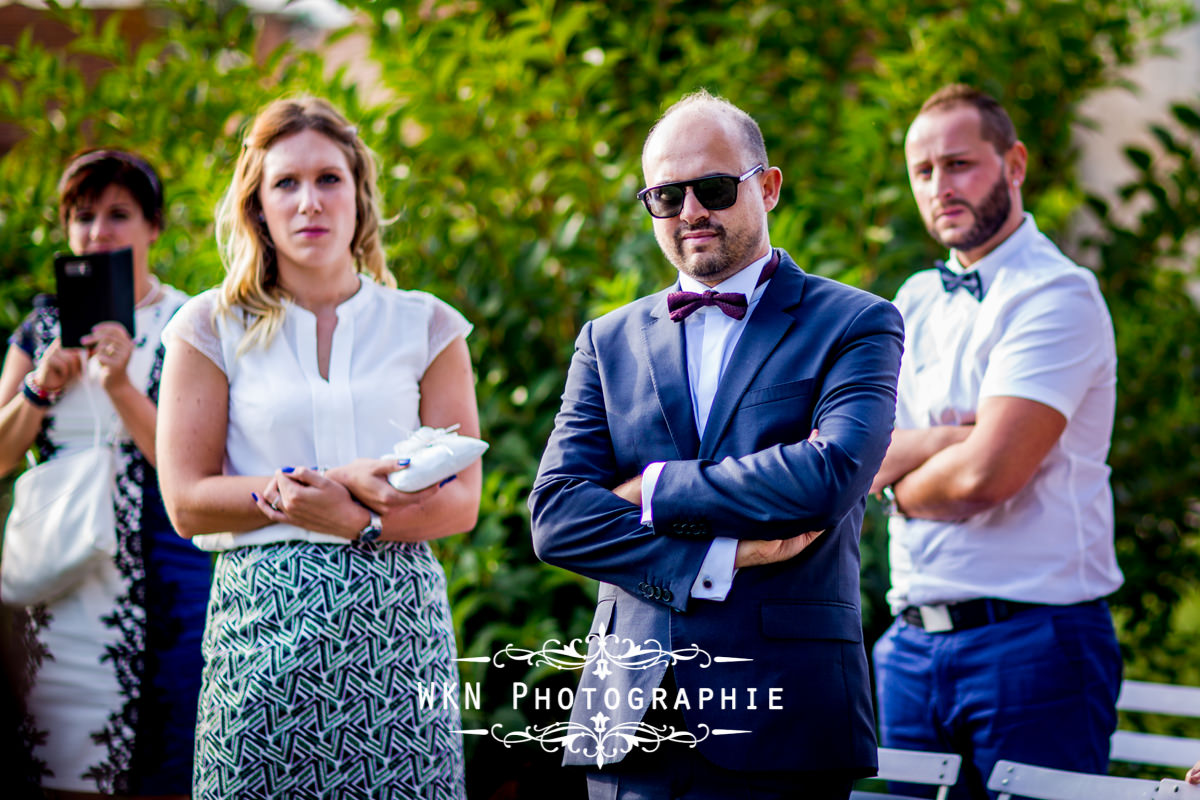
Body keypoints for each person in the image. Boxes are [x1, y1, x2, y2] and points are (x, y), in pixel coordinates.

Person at [529, 89, 904, 800]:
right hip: (628, 723)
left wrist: (656, 489)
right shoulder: (606, 342)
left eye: (713, 188)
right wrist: (719, 553)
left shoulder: (856, 322)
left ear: (767, 187)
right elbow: (557, 519)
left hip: (786, 720)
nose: (691, 211)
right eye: (666, 196)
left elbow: (829, 475)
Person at [156, 96, 480, 799]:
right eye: (286, 183)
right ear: (258, 205)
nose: (310, 201)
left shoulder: (428, 326)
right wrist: (331, 487)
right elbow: (185, 501)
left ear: (361, 196)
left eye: (329, 179)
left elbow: (461, 504)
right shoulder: (208, 326)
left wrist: (358, 522)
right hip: (261, 635)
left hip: (398, 636)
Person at [870, 84, 1124, 799]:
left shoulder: (1058, 295)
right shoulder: (911, 301)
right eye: (923, 171)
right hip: (909, 646)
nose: (939, 187)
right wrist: (952, 439)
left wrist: (895, 479)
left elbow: (987, 477)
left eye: (958, 164)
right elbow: (855, 453)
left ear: (1013, 164)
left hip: (1034, 644)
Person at [0, 149, 209, 797]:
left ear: (154, 226)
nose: (100, 232)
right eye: (83, 216)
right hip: (55, 587)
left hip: (162, 589)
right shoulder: (41, 328)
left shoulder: (188, 324)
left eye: (119, 214)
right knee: (53, 765)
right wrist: (38, 388)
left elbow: (196, 465)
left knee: (162, 763)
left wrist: (119, 384)